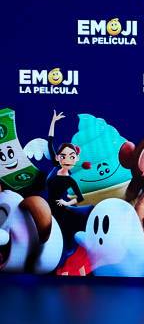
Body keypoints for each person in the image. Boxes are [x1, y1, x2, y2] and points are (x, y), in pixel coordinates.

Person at [46, 110, 92, 263]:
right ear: (58, 157)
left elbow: (79, 198)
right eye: (64, 156)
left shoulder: (70, 180)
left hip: (61, 211)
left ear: (76, 159)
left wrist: (67, 203)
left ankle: (64, 262)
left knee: (63, 239)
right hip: (48, 208)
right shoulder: (54, 166)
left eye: (71, 157)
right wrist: (53, 122)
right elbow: (50, 141)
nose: (67, 159)